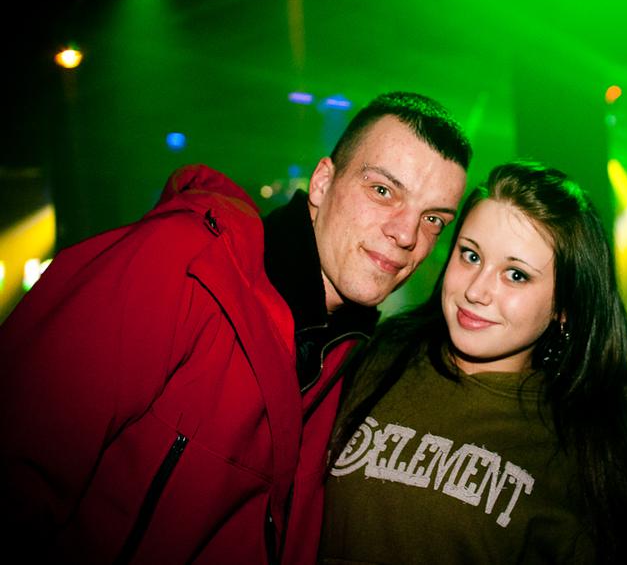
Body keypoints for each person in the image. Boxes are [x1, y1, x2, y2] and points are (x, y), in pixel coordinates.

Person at [0, 91, 471, 564]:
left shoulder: (353, 365)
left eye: (433, 219)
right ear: (323, 183)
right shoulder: (181, 262)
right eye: (383, 191)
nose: (406, 234)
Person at [319, 161, 627, 564]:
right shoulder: (374, 357)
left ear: (565, 307)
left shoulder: (585, 449)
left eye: (516, 275)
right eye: (470, 255)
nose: (477, 290)